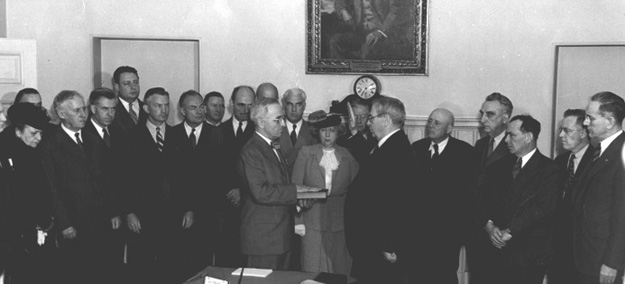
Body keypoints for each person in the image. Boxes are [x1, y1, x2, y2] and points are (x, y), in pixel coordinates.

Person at [41, 90, 117, 284]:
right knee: (78, 274)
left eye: (84, 109)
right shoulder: (51, 145)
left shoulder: (93, 140)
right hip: (74, 224)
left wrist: (113, 211)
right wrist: (65, 223)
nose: (83, 114)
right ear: (61, 114)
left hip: (100, 222)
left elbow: (106, 180)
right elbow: (51, 189)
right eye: (77, 110)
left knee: (103, 273)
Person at [237, 98, 321, 270]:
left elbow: (280, 185)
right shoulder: (252, 150)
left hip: (279, 236)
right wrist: (297, 191)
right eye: (277, 120)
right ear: (260, 122)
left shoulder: (272, 146)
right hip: (264, 241)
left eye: (282, 119)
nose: (282, 124)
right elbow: (261, 193)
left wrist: (299, 199)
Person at [125, 87, 194, 284]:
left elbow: (187, 177)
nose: (163, 110)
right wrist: (129, 211)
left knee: (172, 267)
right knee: (142, 268)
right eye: (157, 105)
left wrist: (188, 209)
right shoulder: (131, 137)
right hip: (143, 215)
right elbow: (125, 179)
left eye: (166, 105)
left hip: (174, 214)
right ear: (146, 108)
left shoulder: (178, 135)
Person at [480, 115, 559, 284]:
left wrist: (509, 232)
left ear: (529, 137)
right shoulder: (497, 167)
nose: (507, 139)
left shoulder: (550, 170)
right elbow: (483, 201)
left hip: (527, 254)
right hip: (494, 251)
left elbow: (542, 209)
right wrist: (489, 225)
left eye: (512, 135)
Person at [344, 96, 415, 283]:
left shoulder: (397, 151)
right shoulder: (389, 146)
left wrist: (389, 244)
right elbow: (371, 164)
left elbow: (398, 202)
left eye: (371, 118)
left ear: (385, 120)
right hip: (373, 243)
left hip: (381, 247)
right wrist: (354, 133)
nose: (368, 123)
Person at [410, 108, 475, 284]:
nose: (431, 125)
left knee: (443, 276)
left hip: (447, 234)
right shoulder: (416, 149)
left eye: (437, 123)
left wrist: (460, 232)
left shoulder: (465, 153)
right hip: (418, 232)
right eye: (429, 121)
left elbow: (468, 196)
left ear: (449, 129)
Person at [291, 110, 359, 275]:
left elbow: (357, 192)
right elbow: (294, 189)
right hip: (311, 220)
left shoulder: (347, 155)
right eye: (323, 130)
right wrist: (298, 222)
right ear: (317, 132)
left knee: (339, 268)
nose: (327, 135)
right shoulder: (306, 153)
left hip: (340, 222)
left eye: (332, 130)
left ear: (339, 132)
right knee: (312, 267)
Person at [573, 91, 625, 284]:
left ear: (609, 122)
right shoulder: (598, 151)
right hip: (587, 257)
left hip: (603, 262)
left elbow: (623, 215)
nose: (585, 123)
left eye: (590, 118)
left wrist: (612, 263)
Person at [0, 103, 54, 284]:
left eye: (41, 133)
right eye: (33, 133)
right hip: (13, 238)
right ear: (17, 130)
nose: (38, 138)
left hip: (37, 232)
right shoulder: (5, 154)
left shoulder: (34, 151)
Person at [170, 90, 221, 274]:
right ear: (182, 111)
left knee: (204, 263)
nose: (199, 111)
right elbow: (171, 178)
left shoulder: (217, 134)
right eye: (193, 107)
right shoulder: (171, 135)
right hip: (179, 212)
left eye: (201, 107)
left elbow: (221, 175)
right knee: (180, 263)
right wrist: (185, 207)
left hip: (208, 211)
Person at [468, 92, 515, 284]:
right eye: (482, 114)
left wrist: (493, 226)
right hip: (477, 230)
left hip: (500, 235)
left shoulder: (515, 148)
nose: (483, 120)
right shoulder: (480, 145)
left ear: (506, 118)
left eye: (490, 114)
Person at [82, 87, 128, 282]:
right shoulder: (82, 134)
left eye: (113, 109)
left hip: (118, 212)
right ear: (93, 108)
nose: (110, 114)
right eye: (104, 109)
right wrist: (110, 211)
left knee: (114, 266)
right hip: (93, 215)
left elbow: (123, 177)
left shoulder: (120, 133)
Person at [549, 109, 594, 284]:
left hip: (583, 252)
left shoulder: (597, 162)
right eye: (561, 130)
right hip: (558, 249)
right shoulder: (559, 162)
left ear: (583, 133)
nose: (561, 135)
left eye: (567, 131)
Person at [215, 85, 256, 267]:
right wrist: (229, 190)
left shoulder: (259, 132)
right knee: (226, 258)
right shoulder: (217, 131)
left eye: (250, 106)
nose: (245, 111)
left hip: (251, 203)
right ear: (231, 104)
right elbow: (213, 170)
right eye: (241, 105)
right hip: (224, 205)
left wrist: (242, 191)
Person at [330, 0, 399, 60]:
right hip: (359, 31)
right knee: (335, 41)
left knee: (366, 53)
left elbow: (395, 11)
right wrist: (343, 11)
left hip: (379, 33)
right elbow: (339, 2)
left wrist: (379, 32)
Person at [278, 88, 318, 174]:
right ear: (284, 105)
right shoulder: (274, 128)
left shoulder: (314, 132)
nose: (294, 109)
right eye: (290, 104)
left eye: (298, 104)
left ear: (304, 106)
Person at [336, 95, 377, 164]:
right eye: (355, 116)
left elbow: (369, 159)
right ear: (349, 117)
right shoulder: (340, 142)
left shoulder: (376, 140)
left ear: (369, 118)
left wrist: (355, 133)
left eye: (363, 116)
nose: (358, 120)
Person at [112, 66, 148, 132]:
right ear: (117, 87)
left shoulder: (147, 109)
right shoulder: (111, 109)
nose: (133, 87)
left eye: (135, 82)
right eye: (127, 84)